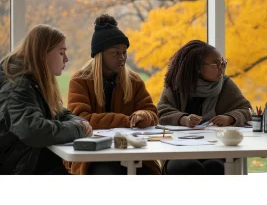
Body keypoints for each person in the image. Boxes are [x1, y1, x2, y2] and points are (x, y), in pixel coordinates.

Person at [66, 14, 160, 175]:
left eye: (124, 52)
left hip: (131, 152)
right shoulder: (80, 80)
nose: (122, 58)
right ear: (100, 55)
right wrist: (125, 120)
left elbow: (152, 113)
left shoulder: (133, 80)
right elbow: (81, 119)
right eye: (115, 53)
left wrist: (142, 116)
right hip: (91, 155)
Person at [0, 24, 92, 175]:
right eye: (61, 53)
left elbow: (59, 112)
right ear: (43, 54)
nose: (66, 59)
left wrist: (79, 122)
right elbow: (34, 130)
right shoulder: (17, 87)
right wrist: (79, 128)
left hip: (35, 164)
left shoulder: (33, 82)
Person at [157, 40, 252, 174]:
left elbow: (246, 110)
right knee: (188, 167)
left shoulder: (225, 84)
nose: (222, 68)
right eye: (216, 64)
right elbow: (161, 112)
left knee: (215, 166)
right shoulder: (176, 85)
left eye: (223, 63)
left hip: (216, 147)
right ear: (197, 67)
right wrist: (183, 119)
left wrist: (229, 118)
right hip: (179, 149)